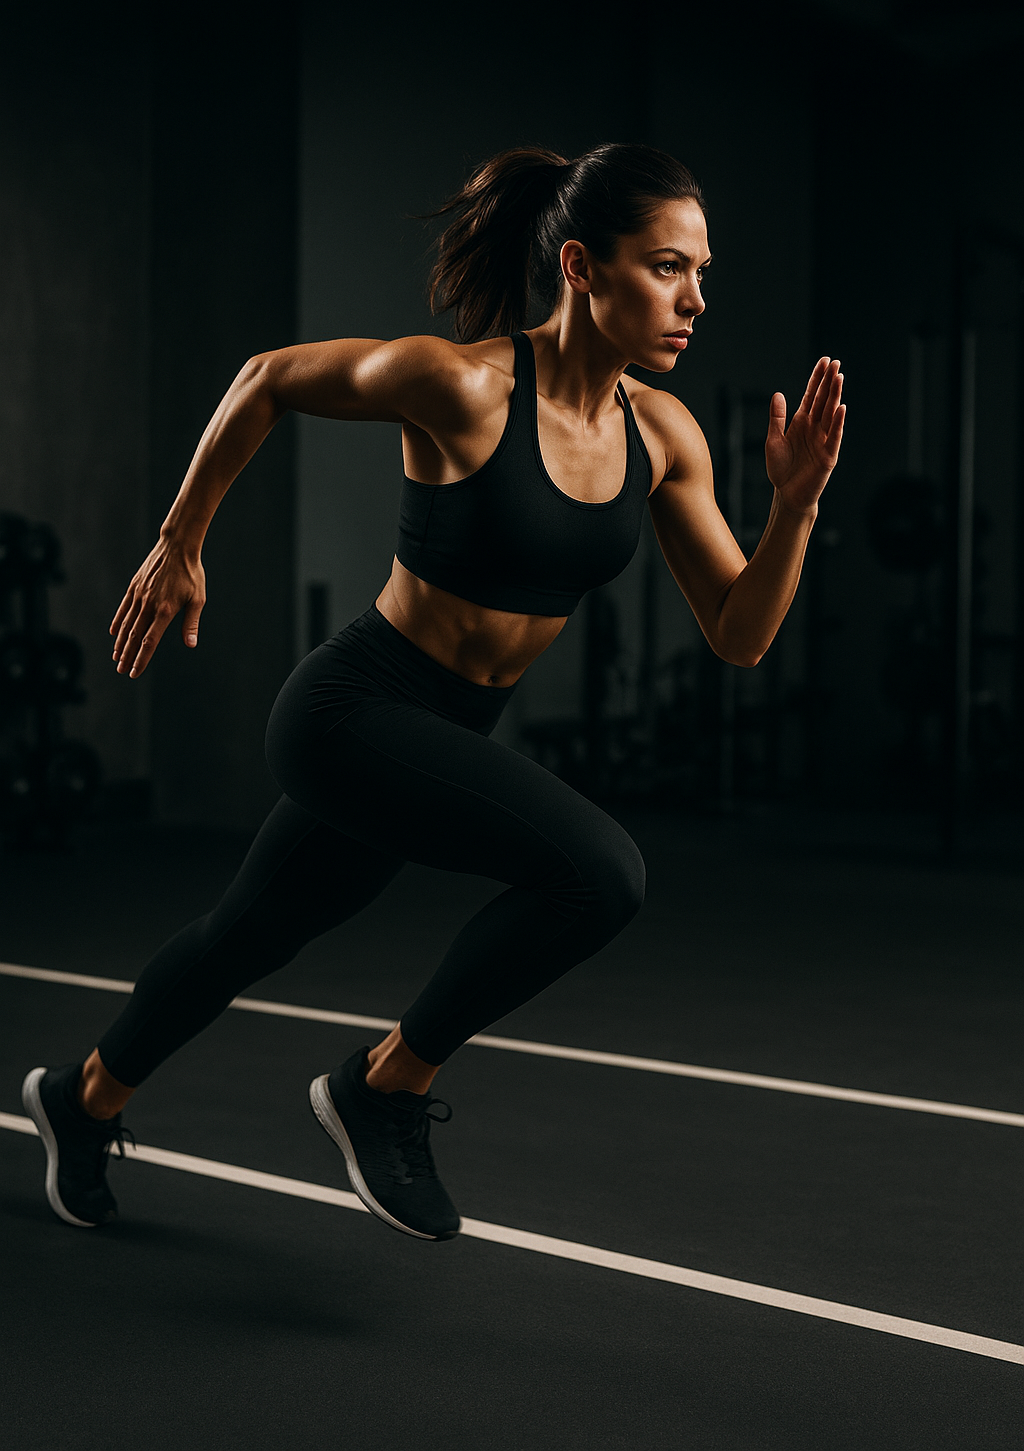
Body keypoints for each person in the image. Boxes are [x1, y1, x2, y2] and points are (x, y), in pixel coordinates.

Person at [22, 143, 845, 1242]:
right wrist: (180, 540)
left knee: (243, 939)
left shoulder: (663, 434)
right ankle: (384, 1086)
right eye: (665, 267)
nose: (694, 298)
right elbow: (268, 376)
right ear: (581, 268)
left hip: (442, 731)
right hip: (350, 711)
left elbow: (739, 636)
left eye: (701, 270)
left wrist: (791, 508)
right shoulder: (461, 386)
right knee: (598, 874)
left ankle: (79, 1103)